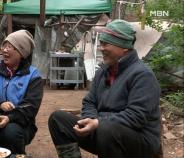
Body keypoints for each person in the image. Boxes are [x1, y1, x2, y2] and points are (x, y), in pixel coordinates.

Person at [48, 19, 161, 158]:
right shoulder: (104, 71)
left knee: (106, 129)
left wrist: (98, 123)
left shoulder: (142, 75)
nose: (101, 48)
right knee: (58, 120)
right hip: (104, 130)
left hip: (140, 142)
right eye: (101, 43)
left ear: (124, 46)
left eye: (105, 44)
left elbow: (136, 117)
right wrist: (90, 119)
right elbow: (89, 101)